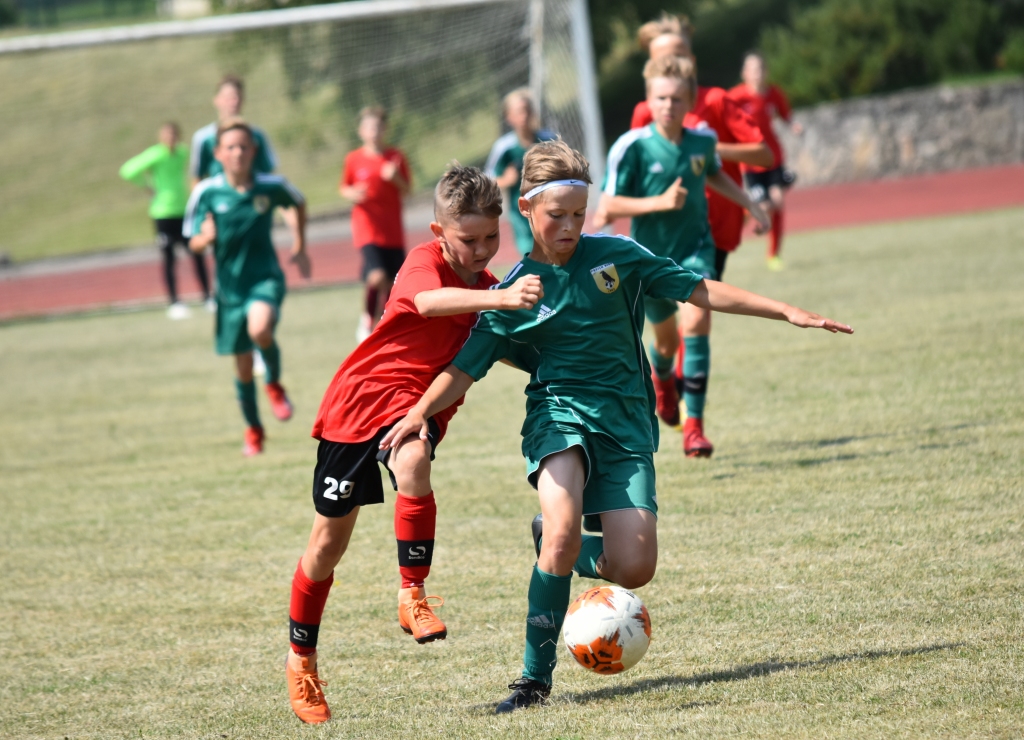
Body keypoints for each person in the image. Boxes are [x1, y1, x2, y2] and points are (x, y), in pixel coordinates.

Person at [381, 140, 852, 714]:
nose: (571, 226)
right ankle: (533, 680)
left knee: (635, 567)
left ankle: (566, 545)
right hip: (557, 417)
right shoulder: (512, 294)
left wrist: (785, 311)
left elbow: (695, 288)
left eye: (579, 215)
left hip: (627, 423)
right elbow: (462, 371)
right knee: (561, 531)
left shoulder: (618, 256)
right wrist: (417, 413)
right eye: (557, 215)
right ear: (527, 210)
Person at [284, 165, 543, 725]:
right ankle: (301, 660)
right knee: (327, 547)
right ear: (438, 231)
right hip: (357, 406)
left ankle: (412, 594)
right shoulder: (422, 266)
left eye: (490, 238)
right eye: (468, 240)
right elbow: (428, 306)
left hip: (412, 407)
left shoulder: (487, 287)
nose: (481, 250)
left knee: (415, 458)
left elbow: (508, 348)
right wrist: (500, 300)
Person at [597, 13, 773, 455]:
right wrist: (658, 203)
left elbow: (715, 173)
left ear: (689, 93)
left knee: (698, 318)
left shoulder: (702, 140)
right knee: (665, 341)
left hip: (696, 249)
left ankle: (694, 427)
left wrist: (750, 202)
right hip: (647, 257)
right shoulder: (633, 142)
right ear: (650, 98)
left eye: (677, 98)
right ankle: (662, 380)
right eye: (661, 98)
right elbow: (608, 204)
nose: (669, 105)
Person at [184, 119, 310, 456]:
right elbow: (192, 240)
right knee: (241, 368)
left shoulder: (270, 186)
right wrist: (205, 239)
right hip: (228, 292)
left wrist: (299, 243)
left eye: (244, 147)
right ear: (218, 153)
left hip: (264, 279)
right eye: (231, 147)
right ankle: (254, 429)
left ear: (254, 151)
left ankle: (273, 384)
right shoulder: (207, 192)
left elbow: (298, 202)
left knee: (261, 330)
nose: (238, 153)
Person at [119, 122, 212, 319]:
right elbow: (128, 170)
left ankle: (207, 297)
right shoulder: (155, 154)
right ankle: (175, 302)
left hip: (184, 210)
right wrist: (146, 186)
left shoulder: (182, 153)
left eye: (174, 134)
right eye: (167, 135)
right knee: (169, 258)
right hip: (163, 212)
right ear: (161, 136)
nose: (170, 138)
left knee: (197, 251)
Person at [339, 106, 412, 341]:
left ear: (385, 129)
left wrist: (395, 177)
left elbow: (408, 190)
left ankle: (382, 325)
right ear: (361, 131)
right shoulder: (353, 159)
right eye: (370, 127)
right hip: (366, 229)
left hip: (392, 231)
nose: (375, 131)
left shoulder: (395, 157)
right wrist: (352, 193)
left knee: (393, 284)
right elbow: (344, 188)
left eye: (379, 127)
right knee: (377, 276)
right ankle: (367, 319)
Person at [730, 51, 802, 271]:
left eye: (760, 69)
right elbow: (720, 116)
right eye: (752, 69)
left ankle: (774, 254)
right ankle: (746, 211)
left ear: (766, 71)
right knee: (764, 206)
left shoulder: (774, 94)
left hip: (773, 158)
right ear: (744, 73)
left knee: (777, 203)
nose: (757, 73)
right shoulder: (736, 97)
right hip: (750, 162)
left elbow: (784, 114)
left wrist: (793, 125)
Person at [485, 89, 557, 257]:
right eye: (518, 111)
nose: (524, 115)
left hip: (549, 207)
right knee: (531, 255)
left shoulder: (549, 140)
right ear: (509, 117)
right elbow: (486, 181)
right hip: (521, 214)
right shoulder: (504, 148)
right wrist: (505, 180)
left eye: (526, 110)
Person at [189, 75, 278, 185]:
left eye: (237, 97)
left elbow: (268, 173)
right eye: (228, 97)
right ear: (216, 100)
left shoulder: (257, 135)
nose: (233, 102)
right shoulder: (203, 138)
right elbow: (197, 178)